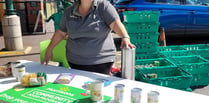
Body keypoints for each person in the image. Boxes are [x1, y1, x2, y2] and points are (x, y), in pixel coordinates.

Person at [42, 0, 135, 75]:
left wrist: (125, 37)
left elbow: (115, 23)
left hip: (101, 63)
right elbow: (61, 33)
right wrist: (49, 49)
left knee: (97, 93)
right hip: (75, 62)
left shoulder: (103, 6)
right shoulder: (68, 12)